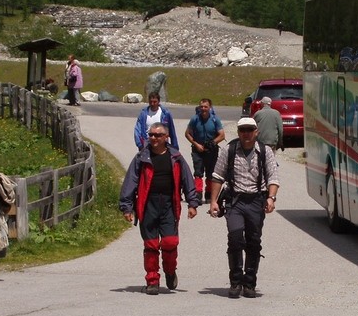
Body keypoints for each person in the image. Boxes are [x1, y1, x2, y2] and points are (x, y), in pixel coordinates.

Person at [119, 122, 199, 295]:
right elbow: (130, 182)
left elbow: (187, 180)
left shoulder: (175, 157)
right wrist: (127, 207)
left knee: (170, 242)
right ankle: (152, 280)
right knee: (151, 245)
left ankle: (170, 271)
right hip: (148, 205)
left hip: (169, 205)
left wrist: (193, 203)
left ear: (166, 137)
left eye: (157, 135)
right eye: (151, 135)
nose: (154, 138)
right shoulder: (142, 157)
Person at [208, 117, 280, 299]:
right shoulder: (229, 149)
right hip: (235, 201)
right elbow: (217, 176)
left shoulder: (265, 152)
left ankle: (249, 283)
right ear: (238, 132)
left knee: (253, 241)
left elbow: (273, 177)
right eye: (242, 130)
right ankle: (235, 281)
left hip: (256, 201)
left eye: (249, 130)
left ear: (256, 132)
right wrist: (214, 201)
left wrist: (271, 198)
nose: (246, 134)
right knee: (235, 237)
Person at [185, 98, 225, 204]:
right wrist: (196, 144)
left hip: (211, 150)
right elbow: (187, 133)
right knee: (198, 172)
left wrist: (213, 142)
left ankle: (209, 194)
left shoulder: (215, 119)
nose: (203, 109)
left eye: (205, 107)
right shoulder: (195, 119)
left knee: (211, 173)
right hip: (197, 150)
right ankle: (198, 194)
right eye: (201, 106)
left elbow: (222, 135)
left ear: (210, 108)